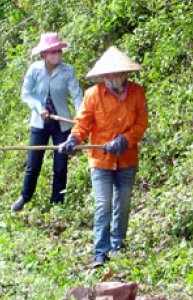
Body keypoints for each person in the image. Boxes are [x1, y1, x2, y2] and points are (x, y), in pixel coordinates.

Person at [59, 46, 148, 267]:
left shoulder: (137, 93)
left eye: (116, 74)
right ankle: (100, 252)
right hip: (101, 160)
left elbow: (141, 124)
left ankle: (118, 246)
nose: (112, 78)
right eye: (108, 75)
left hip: (127, 158)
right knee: (103, 206)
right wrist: (73, 140)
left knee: (123, 204)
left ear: (124, 74)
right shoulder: (93, 95)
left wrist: (125, 140)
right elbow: (82, 124)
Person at [11, 32, 83, 211]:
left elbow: (77, 96)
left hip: (62, 124)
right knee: (33, 163)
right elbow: (26, 94)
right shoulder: (34, 70)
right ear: (44, 54)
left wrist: (81, 118)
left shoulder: (68, 71)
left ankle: (57, 203)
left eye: (58, 51)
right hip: (40, 122)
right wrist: (38, 107)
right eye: (52, 52)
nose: (56, 55)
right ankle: (24, 197)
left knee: (60, 165)